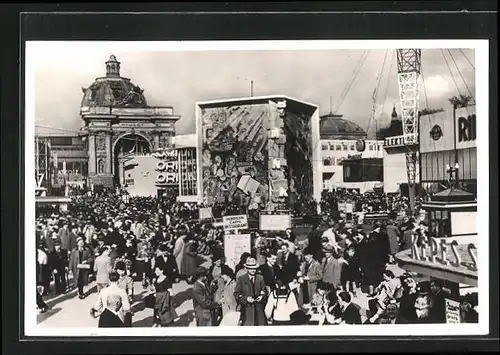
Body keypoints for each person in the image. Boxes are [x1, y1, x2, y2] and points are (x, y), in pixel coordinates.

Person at [234, 257, 268, 326]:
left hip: (259, 311)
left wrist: (262, 296)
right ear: (246, 268)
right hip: (247, 311)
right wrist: (246, 299)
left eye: (254, 268)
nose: (253, 270)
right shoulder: (241, 279)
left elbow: (264, 291)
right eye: (250, 268)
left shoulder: (260, 278)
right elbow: (236, 294)